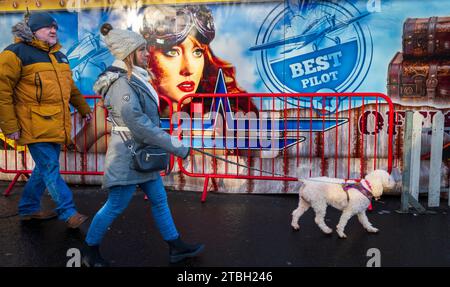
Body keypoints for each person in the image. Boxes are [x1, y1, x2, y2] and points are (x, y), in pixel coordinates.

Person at [82, 24, 204, 267]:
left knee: (159, 200)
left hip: (142, 155)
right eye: (142, 50)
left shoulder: (135, 78)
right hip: (127, 156)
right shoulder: (120, 84)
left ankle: (175, 246)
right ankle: (88, 251)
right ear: (129, 53)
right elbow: (137, 123)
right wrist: (175, 146)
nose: (147, 54)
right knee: (115, 206)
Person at [73, 4, 257, 153]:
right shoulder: (132, 87)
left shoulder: (221, 106)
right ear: (148, 56)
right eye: (172, 52)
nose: (188, 68)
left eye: (197, 52)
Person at [0, 12, 92, 228]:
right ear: (32, 30)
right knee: (50, 167)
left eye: (55, 28)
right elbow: (2, 92)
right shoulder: (15, 54)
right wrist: (9, 126)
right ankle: (68, 212)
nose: (53, 31)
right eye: (46, 27)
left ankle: (28, 208)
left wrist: (83, 107)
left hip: (56, 123)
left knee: (43, 168)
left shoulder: (60, 56)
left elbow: (71, 88)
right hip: (31, 124)